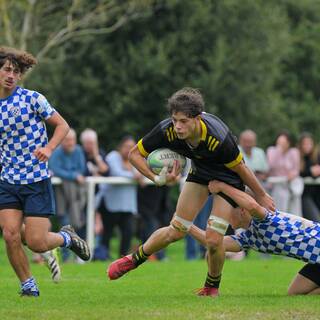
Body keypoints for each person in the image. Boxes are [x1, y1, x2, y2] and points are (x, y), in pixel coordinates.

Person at [107, 87, 274, 297]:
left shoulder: (219, 137)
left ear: (198, 119)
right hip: (200, 173)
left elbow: (242, 169)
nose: (177, 126)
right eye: (175, 119)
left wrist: (261, 194)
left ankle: (212, 286)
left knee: (214, 241)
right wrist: (157, 178)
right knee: (175, 230)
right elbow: (134, 155)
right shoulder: (166, 130)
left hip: (229, 179)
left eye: (183, 121)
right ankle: (133, 259)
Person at [0, 47, 90, 297]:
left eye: (16, 72)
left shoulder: (32, 99)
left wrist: (49, 148)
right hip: (7, 180)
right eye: (7, 69)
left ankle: (67, 238)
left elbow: (62, 125)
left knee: (37, 242)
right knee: (10, 235)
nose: (11, 75)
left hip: (35, 180)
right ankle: (28, 284)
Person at [189, 179, 320, 295]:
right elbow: (214, 243)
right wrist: (186, 225)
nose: (224, 215)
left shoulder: (265, 220)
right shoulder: (248, 237)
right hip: (316, 260)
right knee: (295, 293)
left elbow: (252, 205)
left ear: (242, 210)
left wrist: (222, 186)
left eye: (227, 210)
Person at [98, 136, 144, 258]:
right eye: (127, 146)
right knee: (107, 234)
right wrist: (134, 175)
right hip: (111, 205)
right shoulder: (113, 156)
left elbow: (142, 171)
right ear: (120, 147)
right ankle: (103, 257)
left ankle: (123, 259)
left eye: (132, 147)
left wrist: (136, 174)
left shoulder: (135, 158)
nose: (129, 149)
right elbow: (116, 172)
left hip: (128, 206)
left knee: (128, 233)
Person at [267, 130, 302, 216]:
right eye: (279, 142)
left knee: (294, 209)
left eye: (284, 142)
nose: (282, 144)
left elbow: (296, 169)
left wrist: (291, 176)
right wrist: (279, 150)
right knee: (280, 208)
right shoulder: (271, 150)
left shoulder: (294, 152)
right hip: (276, 185)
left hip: (291, 184)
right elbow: (270, 165)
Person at [298, 132, 320, 222]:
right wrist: (311, 172)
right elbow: (298, 172)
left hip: (317, 193)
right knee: (315, 221)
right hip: (305, 194)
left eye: (309, 143)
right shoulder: (298, 157)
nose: (307, 146)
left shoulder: (316, 157)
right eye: (304, 143)